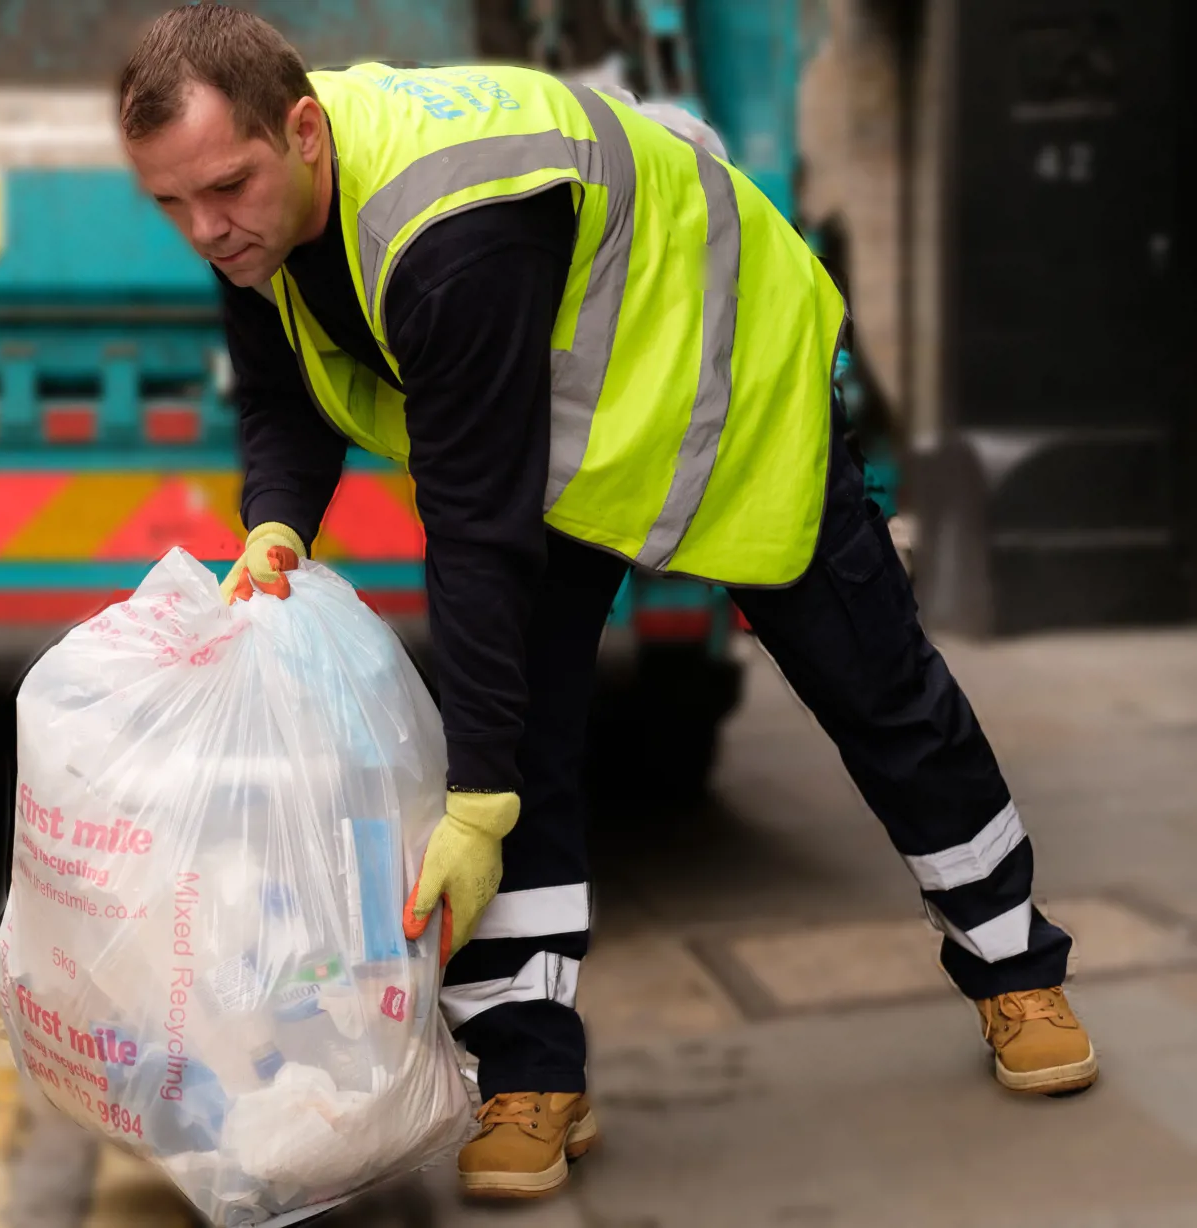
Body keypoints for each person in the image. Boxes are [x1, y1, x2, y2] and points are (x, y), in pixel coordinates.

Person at [116, 4, 1096, 1201]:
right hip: (567, 415)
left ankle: (1015, 967)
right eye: (172, 203)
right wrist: (278, 521)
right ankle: (530, 1074)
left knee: (872, 681)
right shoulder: (255, 210)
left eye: (225, 188)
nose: (205, 228)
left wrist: (474, 804)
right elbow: (285, 388)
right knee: (518, 730)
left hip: (725, 385)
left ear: (304, 130)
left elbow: (476, 529)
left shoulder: (443, 232)